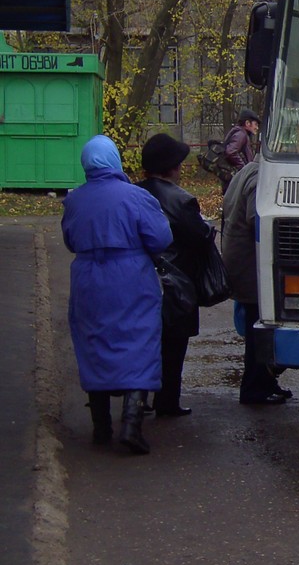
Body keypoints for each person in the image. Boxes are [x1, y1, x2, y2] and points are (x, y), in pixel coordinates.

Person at [61, 135, 173, 454]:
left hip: (88, 279)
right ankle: (131, 425)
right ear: (114, 160)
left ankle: (100, 428)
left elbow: (70, 240)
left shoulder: (74, 200)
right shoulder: (135, 197)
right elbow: (160, 238)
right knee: (139, 341)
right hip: (131, 278)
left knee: (93, 342)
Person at [137, 133, 216, 417]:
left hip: (141, 279)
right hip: (176, 283)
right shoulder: (181, 200)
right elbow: (199, 235)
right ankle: (167, 401)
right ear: (171, 167)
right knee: (173, 347)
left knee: (145, 341)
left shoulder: (136, 193)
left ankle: (140, 398)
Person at [221, 160, 290, 405]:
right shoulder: (260, 175)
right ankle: (254, 389)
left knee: (257, 326)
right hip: (252, 266)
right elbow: (256, 217)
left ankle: (266, 383)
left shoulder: (248, 170)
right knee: (258, 330)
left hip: (243, 263)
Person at [224, 109, 260, 174]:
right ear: (247, 123)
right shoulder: (241, 134)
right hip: (237, 177)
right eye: (255, 124)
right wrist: (243, 169)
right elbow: (231, 151)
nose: (257, 128)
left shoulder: (240, 133)